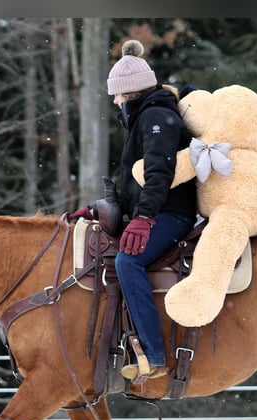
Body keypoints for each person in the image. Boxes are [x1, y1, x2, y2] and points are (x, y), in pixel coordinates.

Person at [71, 39, 199, 384]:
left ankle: (154, 355)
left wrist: (143, 218)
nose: (115, 102)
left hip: (170, 213)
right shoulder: (145, 116)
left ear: (131, 94)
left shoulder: (156, 118)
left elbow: (159, 173)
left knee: (129, 261)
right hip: (154, 210)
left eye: (118, 96)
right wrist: (104, 208)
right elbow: (136, 180)